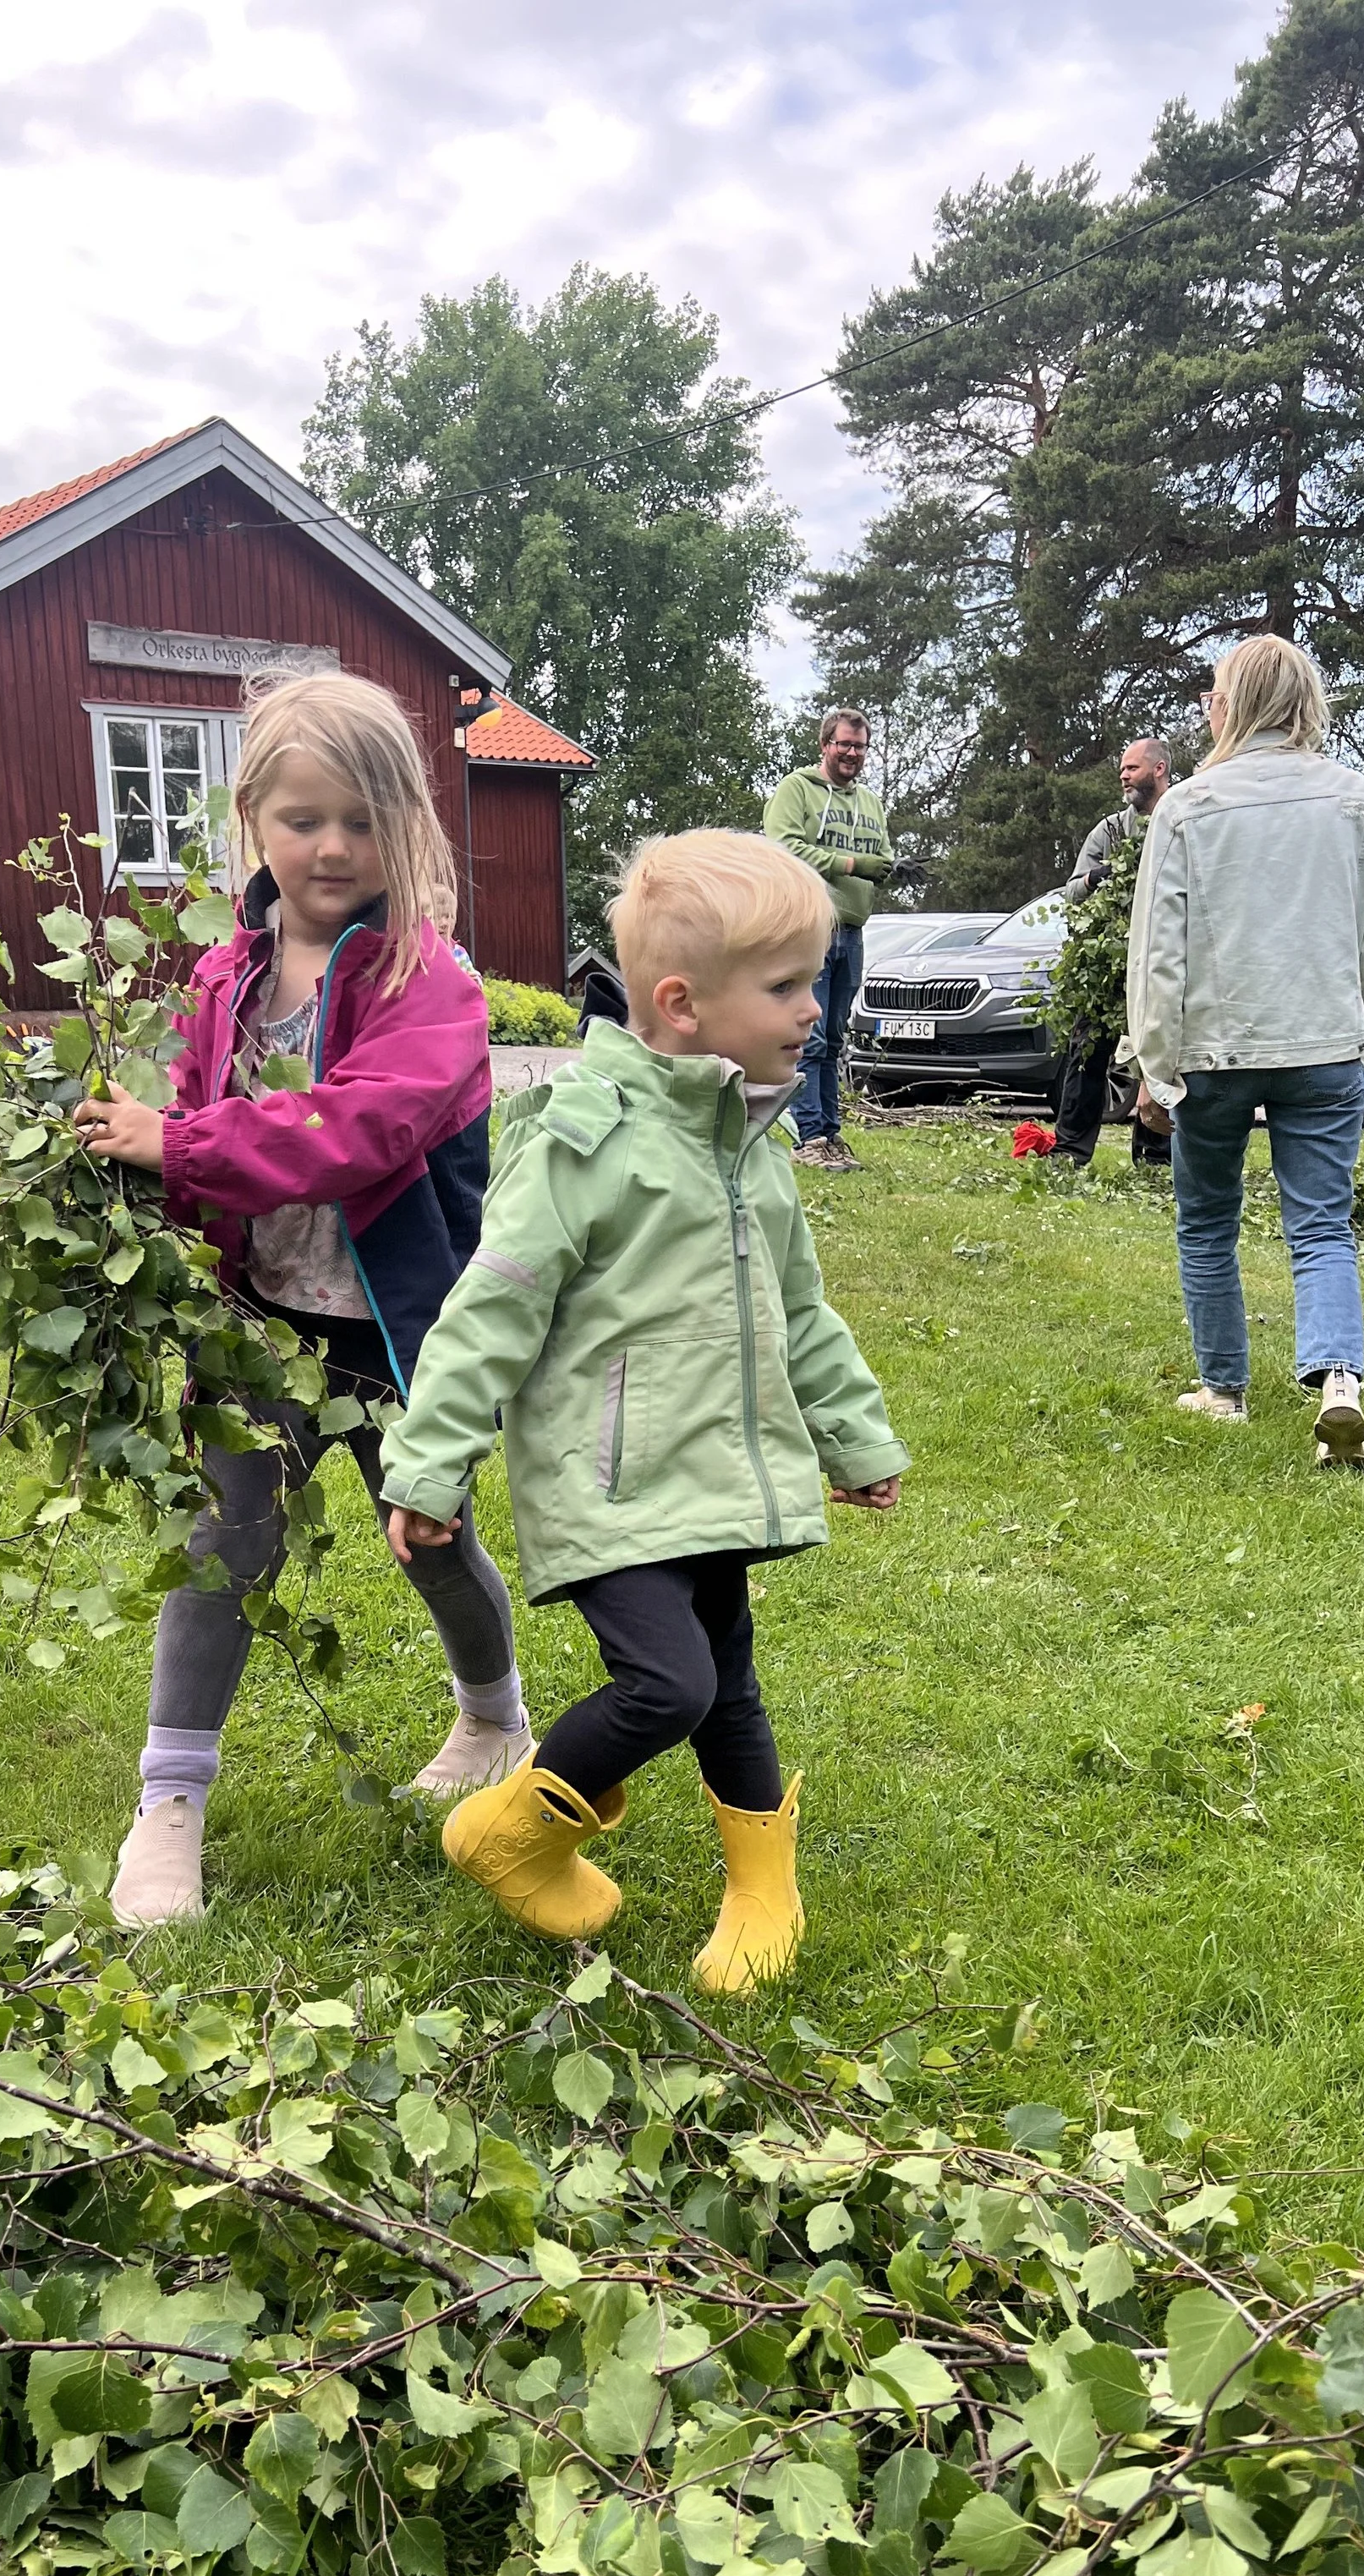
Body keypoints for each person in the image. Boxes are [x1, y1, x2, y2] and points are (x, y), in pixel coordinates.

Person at [378, 830, 910, 1995]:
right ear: (681, 1003)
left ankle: (765, 1887)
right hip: (612, 1478)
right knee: (670, 1684)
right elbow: (488, 1314)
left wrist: (854, 1436)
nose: (812, 1009)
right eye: (783, 986)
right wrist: (429, 1463)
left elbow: (802, 1313)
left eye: (812, 979)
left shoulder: (749, 1148)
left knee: (733, 1680)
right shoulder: (586, 1142)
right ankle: (512, 1829)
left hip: (717, 1472)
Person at [71, 671, 531, 1928]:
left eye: (361, 821)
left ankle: (494, 1720)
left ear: (406, 826)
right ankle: (168, 1804)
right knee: (222, 1548)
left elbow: (362, 1131)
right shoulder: (224, 980)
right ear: (253, 820)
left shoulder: (429, 985)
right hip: (257, 1319)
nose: (331, 847)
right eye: (302, 817)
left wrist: (180, 1145)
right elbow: (182, 1120)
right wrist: (117, 1180)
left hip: (393, 1327)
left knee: (427, 1536)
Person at [1126, 634, 1364, 1467]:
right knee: (1321, 1227)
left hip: (1215, 1045)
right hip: (1323, 1041)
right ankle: (1339, 1379)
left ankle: (1223, 1389)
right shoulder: (1351, 799)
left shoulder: (1189, 807)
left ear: (1229, 703)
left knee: (1207, 1222)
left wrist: (1153, 1063)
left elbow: (1157, 949)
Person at [762, 707, 894, 1171]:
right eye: (844, 745)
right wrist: (853, 866)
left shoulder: (871, 803)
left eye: (859, 747)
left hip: (852, 931)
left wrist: (892, 866)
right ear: (825, 745)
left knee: (835, 1039)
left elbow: (881, 853)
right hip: (809, 929)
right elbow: (782, 845)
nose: (852, 754)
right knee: (809, 1037)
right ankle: (808, 1137)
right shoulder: (797, 789)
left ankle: (831, 1134)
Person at [1054, 737, 1174, 1168]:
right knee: (1087, 1052)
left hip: (1165, 959)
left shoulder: (1181, 821)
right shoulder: (1110, 831)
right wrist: (1096, 879)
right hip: (1109, 966)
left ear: (1159, 770)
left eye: (1132, 768)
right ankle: (1070, 1151)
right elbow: (1070, 894)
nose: (1123, 775)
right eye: (1122, 769)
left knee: (1162, 1057)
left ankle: (1156, 1157)